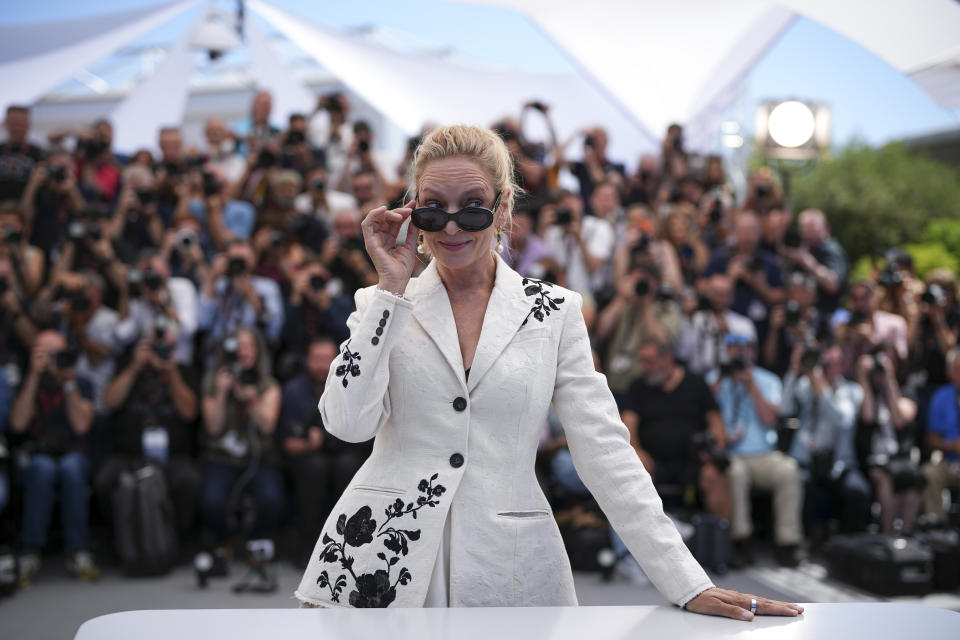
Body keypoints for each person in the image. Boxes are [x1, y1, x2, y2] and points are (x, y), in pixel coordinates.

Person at [295, 125, 802, 620]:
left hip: (509, 570)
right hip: (375, 566)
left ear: (502, 206)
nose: (451, 226)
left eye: (472, 207)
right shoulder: (381, 304)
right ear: (413, 213)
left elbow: (605, 452)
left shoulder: (553, 312)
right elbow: (346, 423)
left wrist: (686, 581)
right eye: (433, 208)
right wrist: (390, 289)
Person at [10, 330, 99, 585]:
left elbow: (82, 425)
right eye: (44, 354)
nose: (51, 360)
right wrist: (33, 376)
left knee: (71, 468)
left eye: (56, 354)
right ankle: (30, 552)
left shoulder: (81, 382)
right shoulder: (27, 383)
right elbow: (17, 423)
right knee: (42, 468)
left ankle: (78, 551)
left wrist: (67, 381)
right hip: (37, 456)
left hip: (74, 454)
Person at [709, 335, 803, 568]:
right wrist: (723, 377)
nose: (739, 354)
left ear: (753, 352)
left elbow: (770, 419)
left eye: (744, 349)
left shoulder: (767, 379)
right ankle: (741, 541)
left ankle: (787, 542)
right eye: (733, 349)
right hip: (731, 453)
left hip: (763, 454)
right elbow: (704, 409)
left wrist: (751, 385)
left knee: (788, 470)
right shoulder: (715, 378)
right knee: (735, 473)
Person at [280, 337, 372, 560]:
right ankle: (306, 545)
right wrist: (308, 443)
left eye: (327, 359)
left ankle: (348, 548)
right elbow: (286, 443)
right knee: (315, 468)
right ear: (307, 361)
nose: (322, 365)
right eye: (316, 359)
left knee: (349, 466)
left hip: (347, 453)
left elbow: (367, 432)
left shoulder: (354, 385)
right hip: (309, 458)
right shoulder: (293, 391)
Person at [200, 327, 284, 546]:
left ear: (257, 352)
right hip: (221, 459)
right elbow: (213, 428)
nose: (243, 352)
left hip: (258, 459)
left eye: (249, 346)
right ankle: (225, 540)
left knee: (272, 500)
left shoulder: (268, 385)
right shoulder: (214, 382)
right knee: (211, 502)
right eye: (238, 346)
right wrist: (221, 391)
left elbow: (267, 426)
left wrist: (251, 400)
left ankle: (254, 541)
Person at [779, 343, 871, 539]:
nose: (829, 368)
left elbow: (842, 420)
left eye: (834, 364)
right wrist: (793, 371)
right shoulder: (805, 386)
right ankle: (806, 541)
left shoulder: (851, 390)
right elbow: (784, 409)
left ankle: (849, 545)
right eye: (825, 363)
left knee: (858, 492)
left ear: (842, 366)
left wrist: (821, 387)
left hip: (838, 463)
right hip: (807, 459)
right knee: (801, 484)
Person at [923, 346, 960, 519]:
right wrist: (952, 446)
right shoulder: (941, 397)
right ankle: (937, 528)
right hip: (950, 463)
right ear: (950, 373)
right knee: (929, 473)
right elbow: (931, 440)